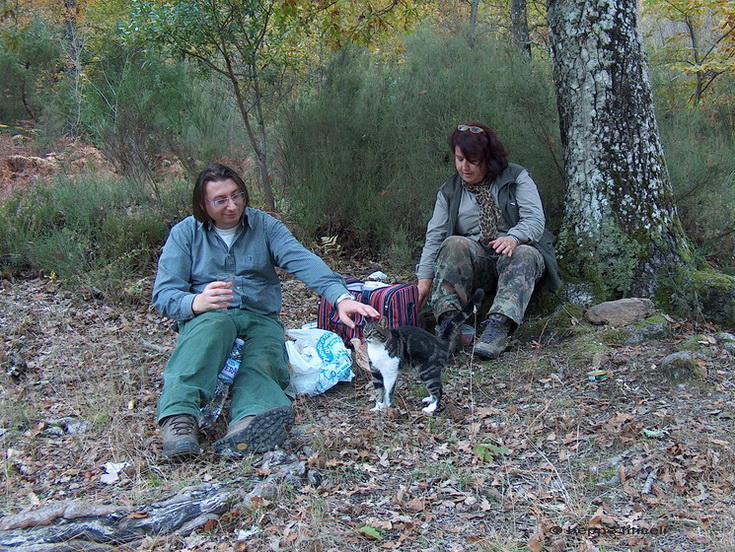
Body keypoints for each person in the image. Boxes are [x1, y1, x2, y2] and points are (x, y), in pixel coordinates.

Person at [152, 163, 379, 461]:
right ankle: (179, 420)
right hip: (208, 317)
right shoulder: (185, 234)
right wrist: (195, 303)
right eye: (220, 200)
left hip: (259, 316)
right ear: (202, 205)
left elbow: (300, 259)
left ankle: (250, 422)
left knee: (263, 356)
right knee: (212, 330)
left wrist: (339, 297)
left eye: (237, 195)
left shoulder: (264, 226)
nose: (232, 205)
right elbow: (164, 295)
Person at [416, 123, 560, 360]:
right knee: (453, 243)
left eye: (472, 160)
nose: (464, 167)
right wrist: (424, 279)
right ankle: (449, 327)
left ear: (488, 158)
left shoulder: (516, 177)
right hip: (478, 262)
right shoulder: (449, 191)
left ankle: (497, 329)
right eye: (459, 159)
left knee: (523, 253)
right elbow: (435, 236)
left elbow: (535, 219)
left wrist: (514, 237)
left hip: (516, 257)